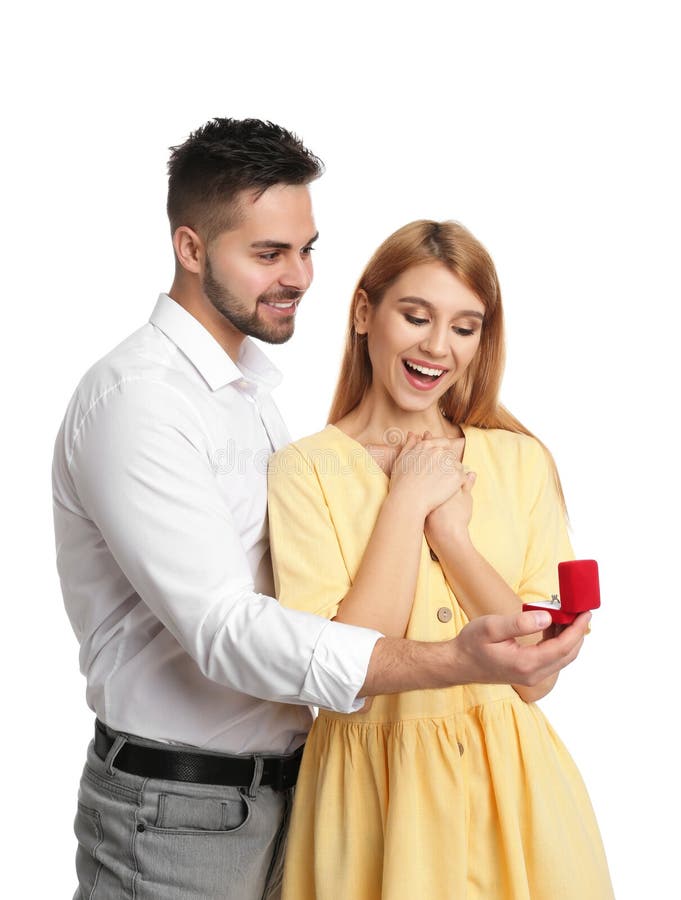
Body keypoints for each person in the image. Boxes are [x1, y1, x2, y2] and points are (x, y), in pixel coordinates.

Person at [52, 121, 591, 900]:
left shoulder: (249, 401)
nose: (298, 276)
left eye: (306, 250)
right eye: (268, 254)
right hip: (182, 806)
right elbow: (225, 630)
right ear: (192, 249)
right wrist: (454, 647)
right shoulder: (142, 402)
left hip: (285, 792)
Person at [267, 219, 614, 899]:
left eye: (464, 326)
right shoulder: (303, 470)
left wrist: (452, 538)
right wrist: (404, 504)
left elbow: (533, 679)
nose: (436, 346)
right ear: (365, 313)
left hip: (518, 792)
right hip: (370, 801)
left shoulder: (518, 460)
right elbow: (343, 670)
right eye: (415, 316)